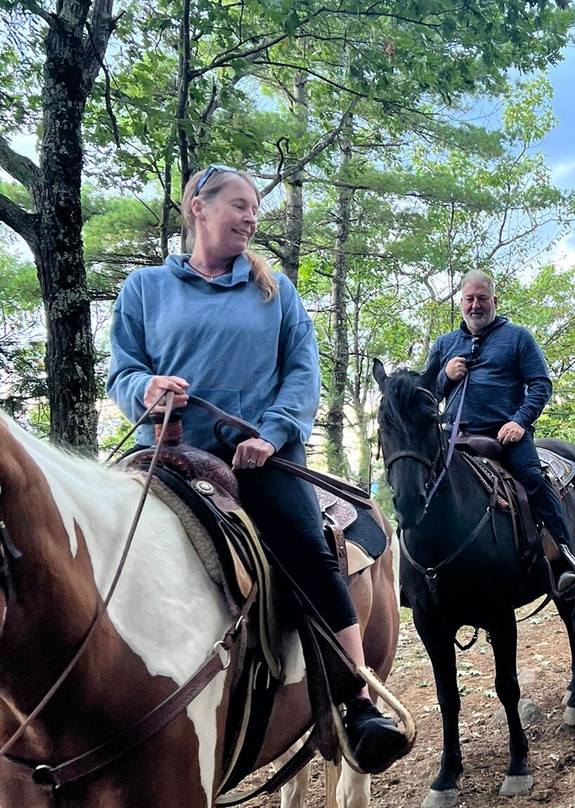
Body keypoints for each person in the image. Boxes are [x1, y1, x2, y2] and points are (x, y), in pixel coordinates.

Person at [106, 165, 409, 773]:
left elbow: (302, 374)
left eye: (256, 210)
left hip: (258, 457)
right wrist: (147, 389)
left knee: (305, 546)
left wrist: (271, 436)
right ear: (198, 206)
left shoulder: (275, 291)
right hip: (165, 457)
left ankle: (356, 699)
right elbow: (122, 373)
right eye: (239, 206)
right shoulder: (142, 290)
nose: (251, 219)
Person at [426, 269, 575, 598]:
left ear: (494, 301)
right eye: (469, 299)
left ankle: (565, 561)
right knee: (419, 484)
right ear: (460, 303)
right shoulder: (444, 345)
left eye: (482, 299)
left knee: (533, 478)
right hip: (454, 438)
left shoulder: (517, 337)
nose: (475, 305)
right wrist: (444, 376)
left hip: (505, 436)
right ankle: (416, 571)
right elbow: (425, 395)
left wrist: (519, 422)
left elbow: (541, 385)